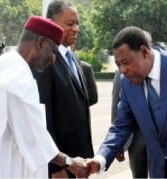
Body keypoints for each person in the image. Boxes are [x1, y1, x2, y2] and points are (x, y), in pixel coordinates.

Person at [0, 15, 89, 178]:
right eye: (53, 52)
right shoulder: (18, 74)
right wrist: (69, 162)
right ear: (40, 42)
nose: (53, 59)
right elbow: (33, 136)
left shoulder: (3, 63)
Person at [86, 26, 167, 178]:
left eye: (126, 62)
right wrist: (100, 159)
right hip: (157, 172)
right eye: (118, 65)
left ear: (144, 52)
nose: (123, 70)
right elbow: (121, 126)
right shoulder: (127, 83)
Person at [33, 1, 94, 177]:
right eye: (70, 24)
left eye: (77, 23)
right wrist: (56, 168)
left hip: (80, 161)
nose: (76, 29)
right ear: (51, 23)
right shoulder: (44, 60)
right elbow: (44, 119)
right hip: (62, 166)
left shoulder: (71, 56)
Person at [111, 30, 153, 178]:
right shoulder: (123, 75)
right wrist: (118, 144)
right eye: (119, 64)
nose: (123, 69)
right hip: (137, 140)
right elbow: (117, 106)